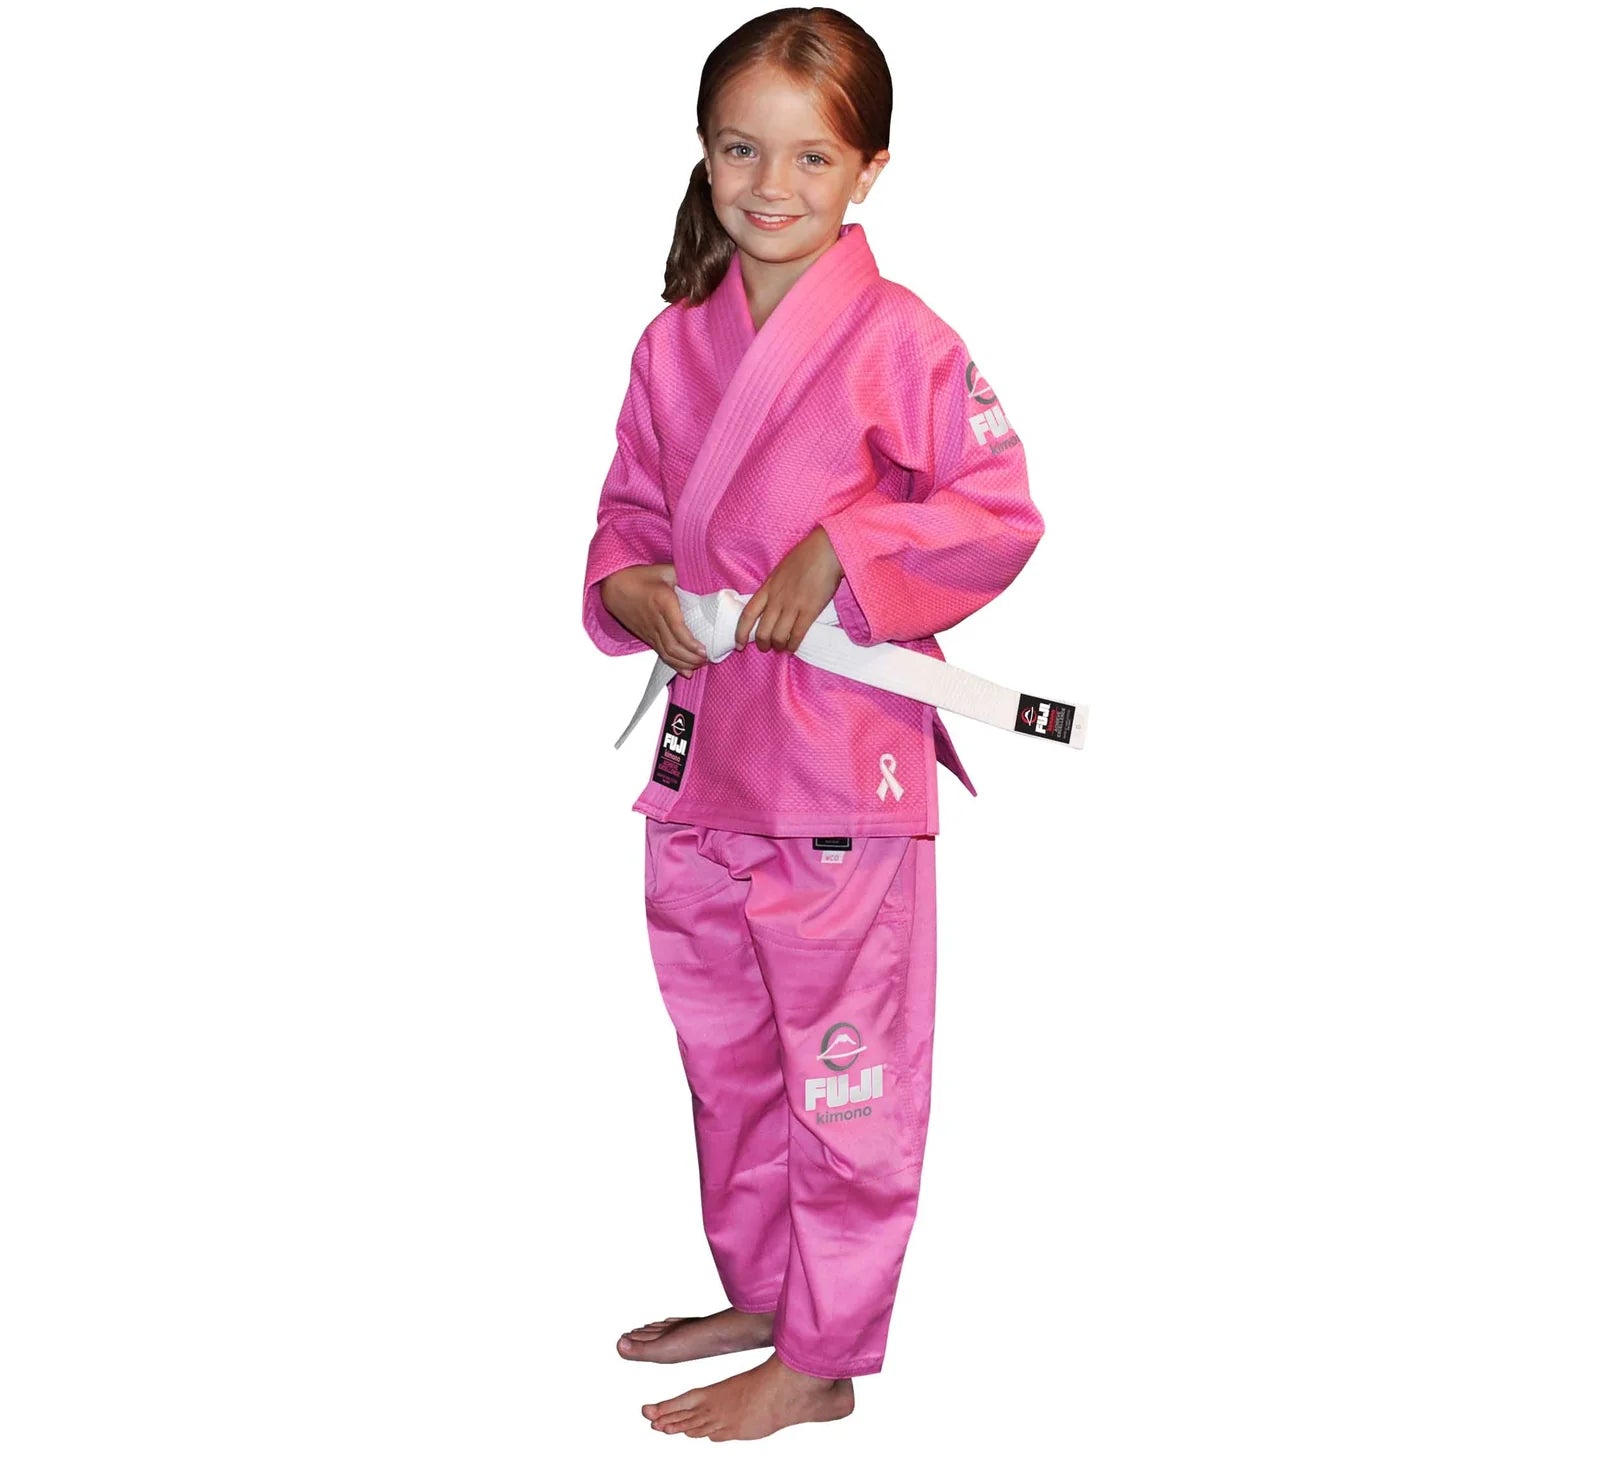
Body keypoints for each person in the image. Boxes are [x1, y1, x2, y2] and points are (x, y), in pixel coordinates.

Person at [580, 7, 1045, 1441]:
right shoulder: (672, 344)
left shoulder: (906, 343)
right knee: (727, 1058)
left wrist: (845, 546)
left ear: (870, 169)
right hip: (705, 758)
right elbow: (629, 512)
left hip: (841, 763)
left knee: (844, 1074)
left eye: (811, 156)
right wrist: (630, 583)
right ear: (703, 153)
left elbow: (998, 511)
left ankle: (827, 1350)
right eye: (740, 149)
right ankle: (771, 1293)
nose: (770, 184)